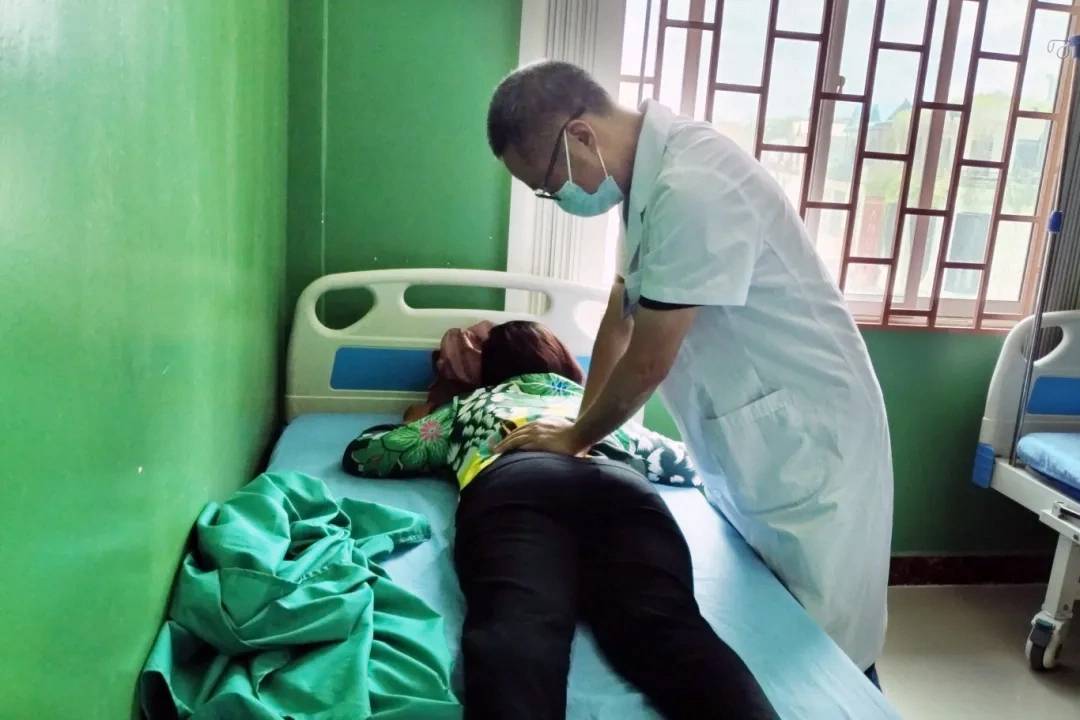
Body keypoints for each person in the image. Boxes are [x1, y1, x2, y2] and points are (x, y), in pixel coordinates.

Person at [485, 61, 893, 683]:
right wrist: (579, 431)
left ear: (581, 137)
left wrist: (574, 439)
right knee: (773, 629)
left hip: (812, 441)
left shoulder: (694, 187)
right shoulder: (643, 188)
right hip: (757, 433)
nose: (556, 199)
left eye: (547, 184)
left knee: (827, 654)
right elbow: (620, 318)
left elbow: (650, 358)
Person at [343, 320, 779, 720]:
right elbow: (686, 465)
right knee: (670, 628)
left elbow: (368, 455)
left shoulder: (474, 403)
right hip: (622, 491)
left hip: (519, 486)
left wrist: (418, 417)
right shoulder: (599, 407)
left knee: (520, 629)